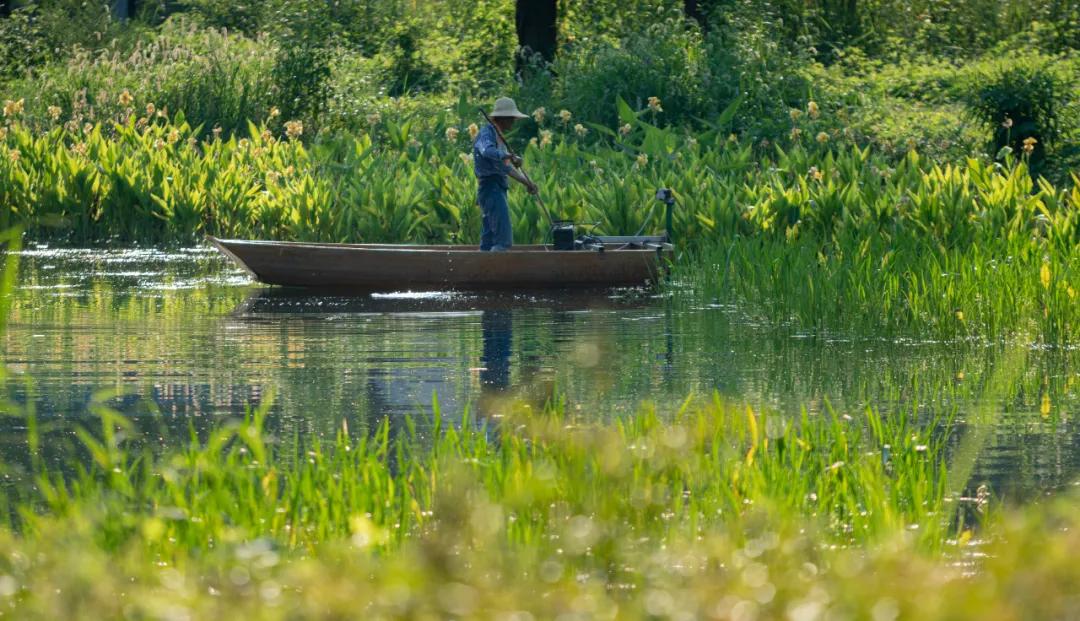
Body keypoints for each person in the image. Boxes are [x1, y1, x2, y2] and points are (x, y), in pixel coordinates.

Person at [473, 97, 538, 251]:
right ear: (503, 118)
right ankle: (498, 269)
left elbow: (505, 168)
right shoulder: (487, 133)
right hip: (489, 188)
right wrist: (506, 155)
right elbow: (486, 151)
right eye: (512, 119)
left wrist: (527, 183)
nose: (513, 122)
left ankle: (483, 266)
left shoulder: (499, 136)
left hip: (498, 186)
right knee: (503, 238)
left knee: (489, 237)